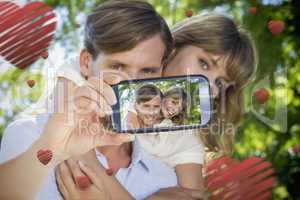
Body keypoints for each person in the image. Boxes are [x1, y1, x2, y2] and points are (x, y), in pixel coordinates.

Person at [54, 11, 257, 200]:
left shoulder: (185, 137)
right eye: (204, 63)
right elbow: (79, 159)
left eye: (220, 83)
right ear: (175, 47)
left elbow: (193, 195)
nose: (210, 86)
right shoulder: (102, 71)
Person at [0, 1, 186, 199]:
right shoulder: (30, 135)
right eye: (118, 67)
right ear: (86, 63)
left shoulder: (164, 180)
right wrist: (53, 147)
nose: (131, 84)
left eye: (148, 70)